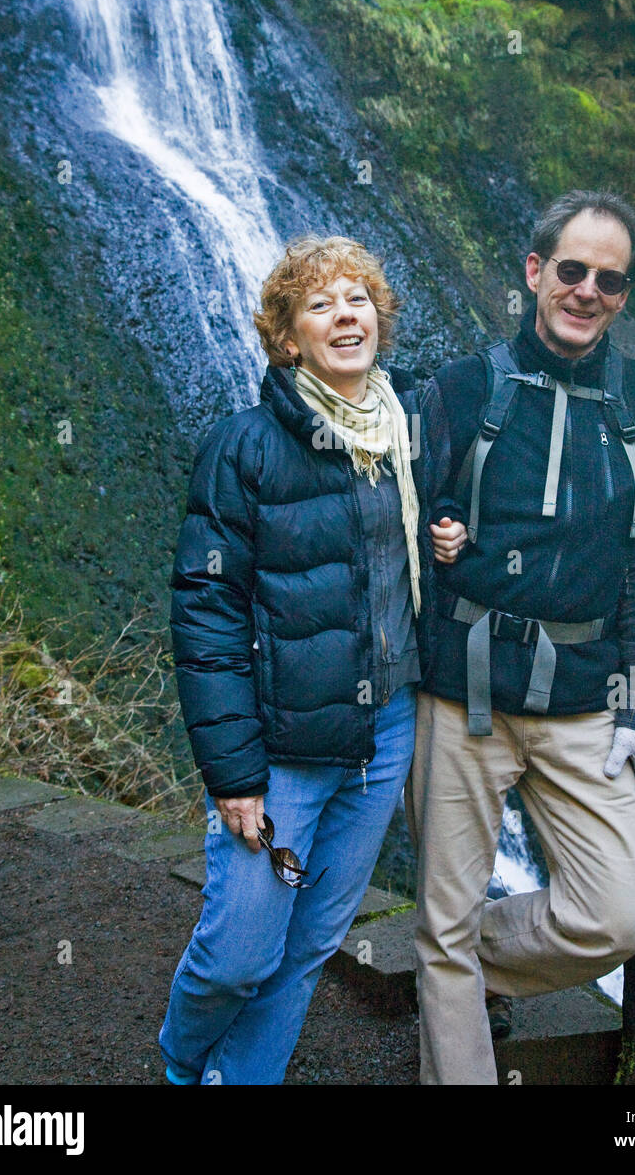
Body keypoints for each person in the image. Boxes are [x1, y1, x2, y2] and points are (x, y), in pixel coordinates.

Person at [409, 189, 635, 1085]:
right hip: (463, 693)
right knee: (442, 921)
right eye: (572, 270)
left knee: (619, 918)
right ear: (535, 272)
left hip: (582, 700)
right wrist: (440, 529)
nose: (587, 290)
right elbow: (396, 524)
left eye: (610, 279)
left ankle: (456, 957)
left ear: (623, 294)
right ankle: (446, 966)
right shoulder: (461, 388)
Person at [158, 234, 427, 1085]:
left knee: (308, 944)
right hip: (280, 756)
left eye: (358, 300)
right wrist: (234, 773)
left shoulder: (406, 435)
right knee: (241, 951)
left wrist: (448, 532)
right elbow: (205, 613)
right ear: (287, 338)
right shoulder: (242, 448)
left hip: (384, 732)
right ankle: (179, 1061)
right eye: (320, 304)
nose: (345, 315)